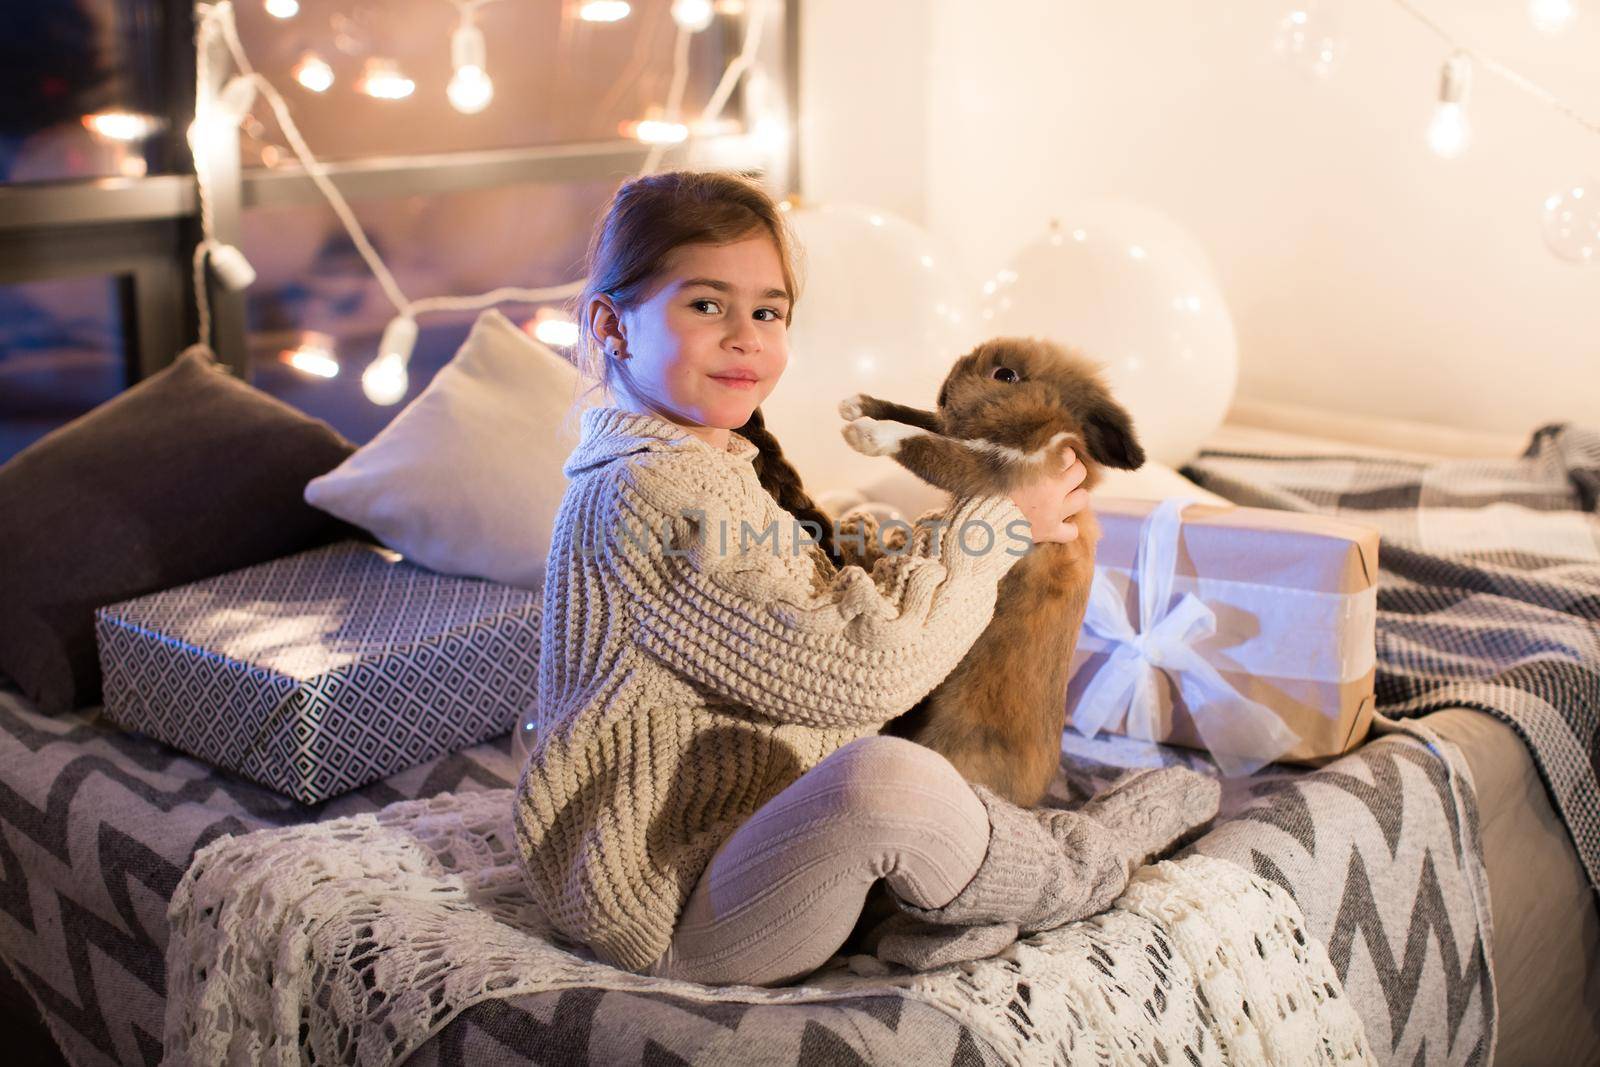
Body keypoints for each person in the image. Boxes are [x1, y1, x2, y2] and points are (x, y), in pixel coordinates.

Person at [512, 169, 1215, 987]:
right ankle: (1078, 867)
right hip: (681, 905)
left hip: (746, 841)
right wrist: (991, 529)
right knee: (887, 781)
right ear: (614, 325)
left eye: (768, 311)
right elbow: (864, 667)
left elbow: (806, 594)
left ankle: (945, 905)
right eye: (706, 305)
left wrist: (925, 541)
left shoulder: (698, 466)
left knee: (900, 758)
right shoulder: (645, 493)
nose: (746, 335)